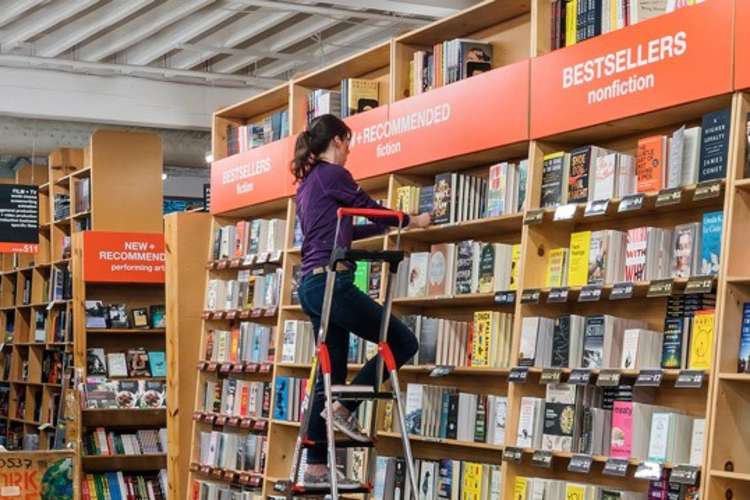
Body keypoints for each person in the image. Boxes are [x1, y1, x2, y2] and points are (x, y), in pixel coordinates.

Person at [292, 114, 430, 488]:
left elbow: (356, 222)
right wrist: (411, 219)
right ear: (338, 140)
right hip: (331, 284)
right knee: (403, 341)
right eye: (349, 142)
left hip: (310, 286)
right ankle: (345, 408)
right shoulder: (332, 174)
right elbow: (367, 205)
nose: (350, 150)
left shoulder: (308, 183)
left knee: (329, 377)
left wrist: (391, 223)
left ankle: (316, 467)